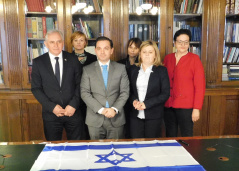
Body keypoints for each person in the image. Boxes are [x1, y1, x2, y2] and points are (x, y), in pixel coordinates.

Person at [31, 30, 83, 141]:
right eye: (52, 42)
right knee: (53, 148)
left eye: (59, 41)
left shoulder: (73, 59)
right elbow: (36, 88)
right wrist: (52, 107)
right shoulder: (38, 62)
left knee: (76, 148)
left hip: (72, 112)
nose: (56, 45)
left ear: (63, 42)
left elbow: (80, 84)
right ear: (46, 44)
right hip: (51, 114)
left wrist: (73, 105)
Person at [80, 36, 129, 140]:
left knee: (115, 153)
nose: (102, 52)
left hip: (116, 118)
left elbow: (124, 92)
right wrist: (101, 110)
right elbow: (84, 93)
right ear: (95, 51)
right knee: (96, 153)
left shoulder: (121, 68)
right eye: (99, 48)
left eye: (106, 48)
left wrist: (114, 109)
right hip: (95, 119)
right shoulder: (87, 70)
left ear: (112, 50)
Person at [163, 29, 205, 137]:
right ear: (175, 43)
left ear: (189, 43)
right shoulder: (168, 58)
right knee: (170, 136)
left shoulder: (194, 59)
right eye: (180, 41)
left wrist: (196, 109)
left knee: (187, 136)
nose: (183, 44)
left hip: (186, 106)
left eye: (186, 42)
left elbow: (200, 86)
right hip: (168, 104)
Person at [129, 40, 170, 138]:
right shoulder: (133, 69)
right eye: (144, 52)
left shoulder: (161, 70)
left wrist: (146, 104)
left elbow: (165, 93)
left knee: (151, 146)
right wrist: (134, 101)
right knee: (136, 144)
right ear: (140, 54)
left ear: (155, 55)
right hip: (135, 115)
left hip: (154, 115)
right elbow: (128, 91)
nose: (147, 55)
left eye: (150, 52)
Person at [70, 31, 97, 140]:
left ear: (85, 42)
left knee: (89, 124)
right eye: (75, 40)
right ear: (72, 42)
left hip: (91, 95)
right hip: (73, 96)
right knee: (76, 127)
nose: (78, 43)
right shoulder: (67, 58)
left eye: (81, 40)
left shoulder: (94, 58)